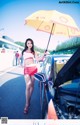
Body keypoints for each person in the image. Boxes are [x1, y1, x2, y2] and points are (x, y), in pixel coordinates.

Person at [22, 38, 38, 114]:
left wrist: (44, 55)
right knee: (28, 85)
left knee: (32, 85)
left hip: (33, 68)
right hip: (26, 69)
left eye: (31, 43)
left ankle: (29, 98)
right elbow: (20, 59)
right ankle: (27, 104)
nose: (29, 44)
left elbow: (38, 59)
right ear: (26, 44)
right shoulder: (23, 52)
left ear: (32, 44)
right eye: (28, 43)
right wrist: (21, 65)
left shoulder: (34, 52)